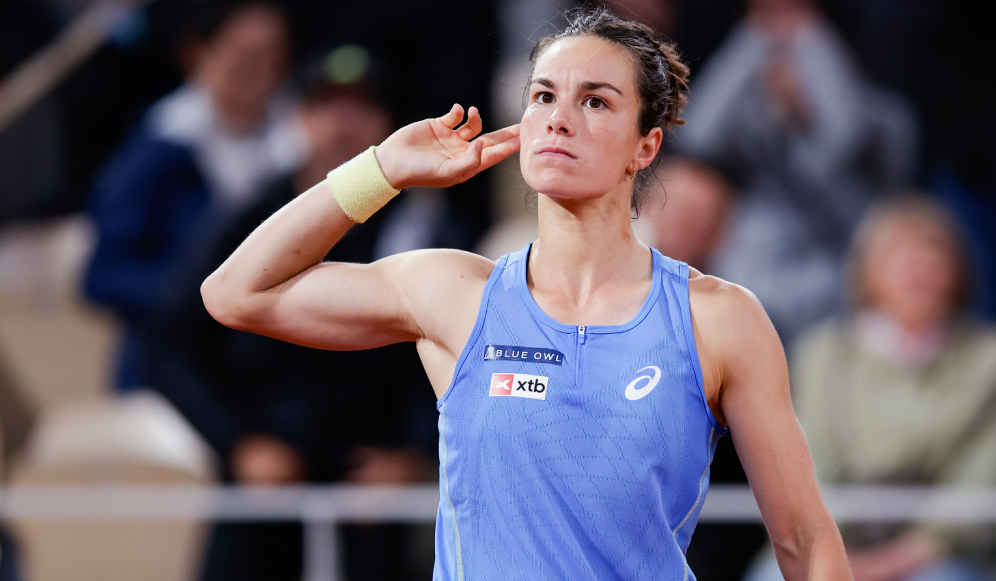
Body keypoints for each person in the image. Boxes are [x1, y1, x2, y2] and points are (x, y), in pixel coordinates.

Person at [202, 8, 851, 580]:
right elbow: (236, 293)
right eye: (544, 96)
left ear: (645, 145)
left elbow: (805, 539)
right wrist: (382, 170)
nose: (559, 119)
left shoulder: (717, 318)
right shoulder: (455, 294)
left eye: (595, 102)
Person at [142, 43, 435, 580]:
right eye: (326, 104)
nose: (343, 122)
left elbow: (453, 344)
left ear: (390, 124)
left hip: (372, 482)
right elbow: (169, 342)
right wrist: (238, 442)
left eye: (363, 106)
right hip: (264, 474)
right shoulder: (251, 219)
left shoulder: (422, 226)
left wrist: (413, 455)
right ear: (298, 117)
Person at [749, 195, 996, 581]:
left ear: (959, 273)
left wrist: (903, 558)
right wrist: (839, 557)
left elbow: (986, 481)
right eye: (899, 257)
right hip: (828, 546)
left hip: (946, 557)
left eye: (933, 257)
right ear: (867, 273)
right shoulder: (822, 356)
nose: (917, 270)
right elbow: (802, 472)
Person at [84, 0, 300, 388]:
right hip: (166, 365)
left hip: (263, 370)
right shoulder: (161, 147)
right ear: (197, 53)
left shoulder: (297, 147)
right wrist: (199, 298)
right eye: (244, 55)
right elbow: (103, 274)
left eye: (270, 56)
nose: (257, 69)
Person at [674, 0, 916, 343]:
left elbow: (841, 140)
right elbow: (695, 133)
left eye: (796, 20)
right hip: (756, 278)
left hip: (839, 271)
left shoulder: (884, 117)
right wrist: (753, 39)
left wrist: (812, 47)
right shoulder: (754, 112)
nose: (784, 41)